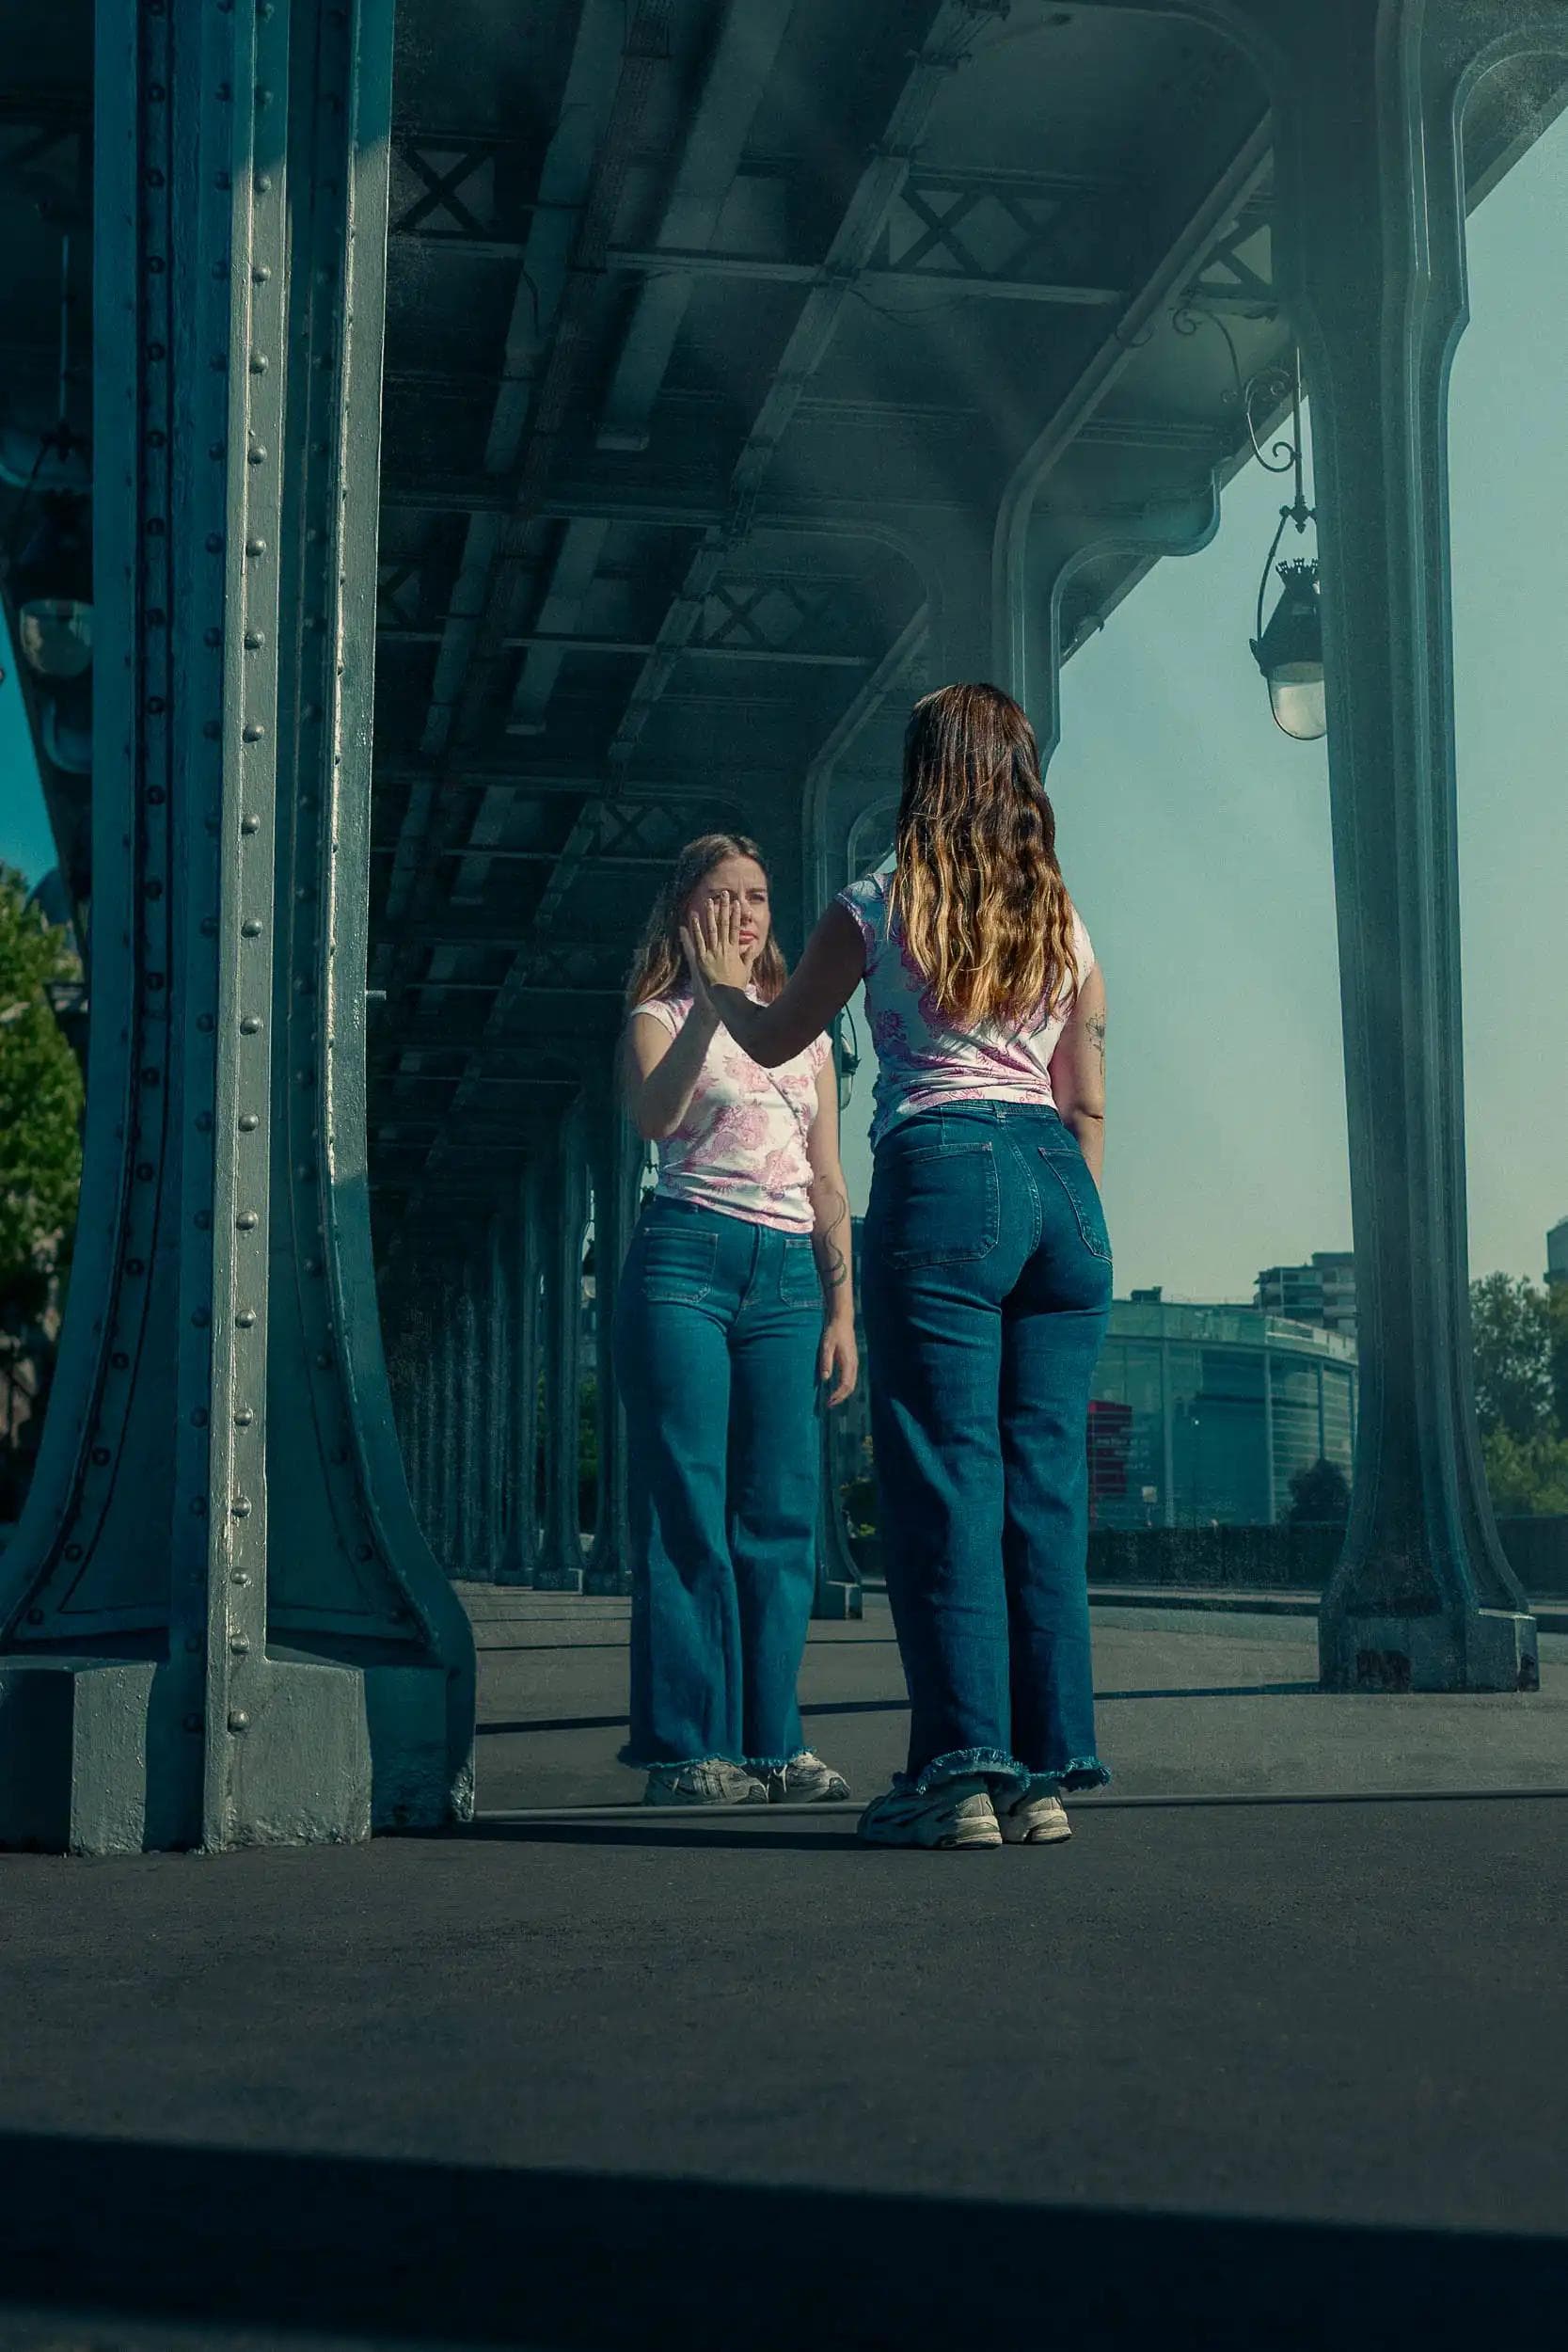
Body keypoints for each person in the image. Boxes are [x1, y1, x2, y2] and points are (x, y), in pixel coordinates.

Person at [682, 683, 1111, 1851]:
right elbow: (1085, 1100)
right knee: (1041, 1491)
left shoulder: (874, 903)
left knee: (942, 1483)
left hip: (941, 1171)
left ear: (925, 773)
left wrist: (719, 979)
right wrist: (1062, 1219)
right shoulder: (1062, 921)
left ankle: (955, 1773)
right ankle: (1040, 1775)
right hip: (1059, 1198)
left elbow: (776, 1039)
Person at [615, 833, 858, 1807]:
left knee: (781, 1515)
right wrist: (712, 1008)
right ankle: (683, 1750)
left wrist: (843, 1309)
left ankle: (772, 1744)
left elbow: (829, 1180)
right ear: (689, 915)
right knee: (688, 1506)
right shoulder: (656, 1016)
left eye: (756, 897)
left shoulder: (808, 1037)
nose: (744, 915)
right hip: (685, 1260)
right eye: (722, 900)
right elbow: (655, 1120)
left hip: (789, 1277)